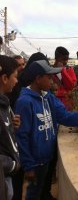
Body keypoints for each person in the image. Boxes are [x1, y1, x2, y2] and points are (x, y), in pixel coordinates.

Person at [15, 60, 78, 200]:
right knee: (33, 193)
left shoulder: (48, 97)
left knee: (41, 189)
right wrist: (28, 166)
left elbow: (65, 116)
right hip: (34, 161)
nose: (52, 80)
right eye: (49, 77)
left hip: (46, 157)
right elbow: (22, 136)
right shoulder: (25, 102)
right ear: (38, 79)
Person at [8, 52, 49, 200]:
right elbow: (23, 133)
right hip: (14, 146)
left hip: (15, 142)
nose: (19, 72)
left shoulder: (29, 88)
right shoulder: (23, 93)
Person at [0, 55, 21, 200]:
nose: (17, 80)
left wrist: (11, 127)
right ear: (5, 78)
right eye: (15, 76)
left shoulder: (4, 103)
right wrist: (12, 165)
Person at [52, 46, 77, 111]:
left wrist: (63, 71)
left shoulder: (69, 69)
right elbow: (51, 92)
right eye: (63, 59)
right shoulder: (50, 72)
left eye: (67, 59)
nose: (65, 62)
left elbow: (71, 86)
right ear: (56, 58)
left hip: (69, 107)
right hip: (55, 107)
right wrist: (66, 93)